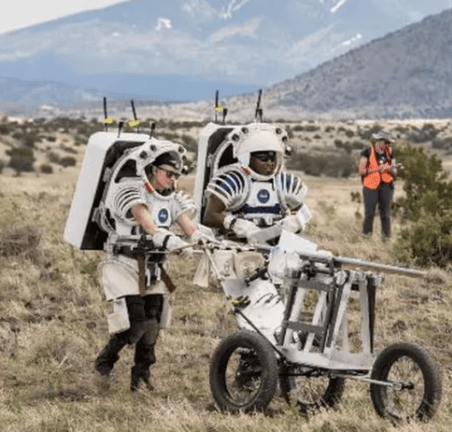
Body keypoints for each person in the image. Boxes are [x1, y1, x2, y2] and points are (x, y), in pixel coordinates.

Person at [95, 141, 200, 392]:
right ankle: (104, 364)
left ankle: (141, 377)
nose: (172, 180)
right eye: (168, 173)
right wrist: (169, 239)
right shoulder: (131, 192)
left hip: (154, 268)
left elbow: (188, 227)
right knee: (135, 322)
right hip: (124, 265)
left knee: (153, 324)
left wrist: (199, 240)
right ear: (152, 170)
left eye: (176, 175)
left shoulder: (171, 198)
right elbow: (149, 225)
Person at [202, 123, 311, 342]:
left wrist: (296, 222)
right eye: (263, 158)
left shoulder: (283, 184)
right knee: (253, 310)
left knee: (280, 301)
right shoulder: (231, 181)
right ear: (248, 158)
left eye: (273, 158)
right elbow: (210, 215)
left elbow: (303, 211)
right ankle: (256, 352)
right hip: (239, 251)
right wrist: (236, 224)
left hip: (275, 250)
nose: (270, 164)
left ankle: (275, 348)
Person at [358, 130, 397, 242]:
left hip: (386, 186)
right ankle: (366, 239)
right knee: (369, 214)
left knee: (386, 215)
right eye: (381, 142)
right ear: (377, 141)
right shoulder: (367, 152)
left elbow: (394, 170)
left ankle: (386, 240)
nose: (383, 145)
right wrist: (376, 170)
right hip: (370, 187)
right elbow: (361, 171)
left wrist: (389, 169)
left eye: (385, 143)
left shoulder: (390, 152)